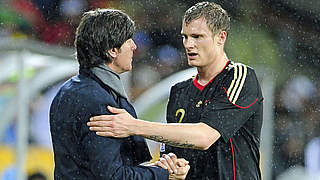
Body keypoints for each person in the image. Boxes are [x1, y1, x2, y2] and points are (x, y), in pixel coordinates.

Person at [88, 2, 263, 179]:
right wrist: (171, 167)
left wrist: (134, 126)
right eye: (185, 37)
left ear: (221, 37)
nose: (188, 44)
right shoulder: (179, 91)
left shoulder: (240, 77)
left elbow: (205, 137)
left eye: (197, 37)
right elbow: (173, 156)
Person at [49, 8, 190, 180]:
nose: (134, 46)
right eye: (129, 40)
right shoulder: (99, 101)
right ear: (113, 51)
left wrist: (156, 169)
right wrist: (164, 174)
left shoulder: (68, 90)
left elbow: (94, 167)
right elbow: (113, 176)